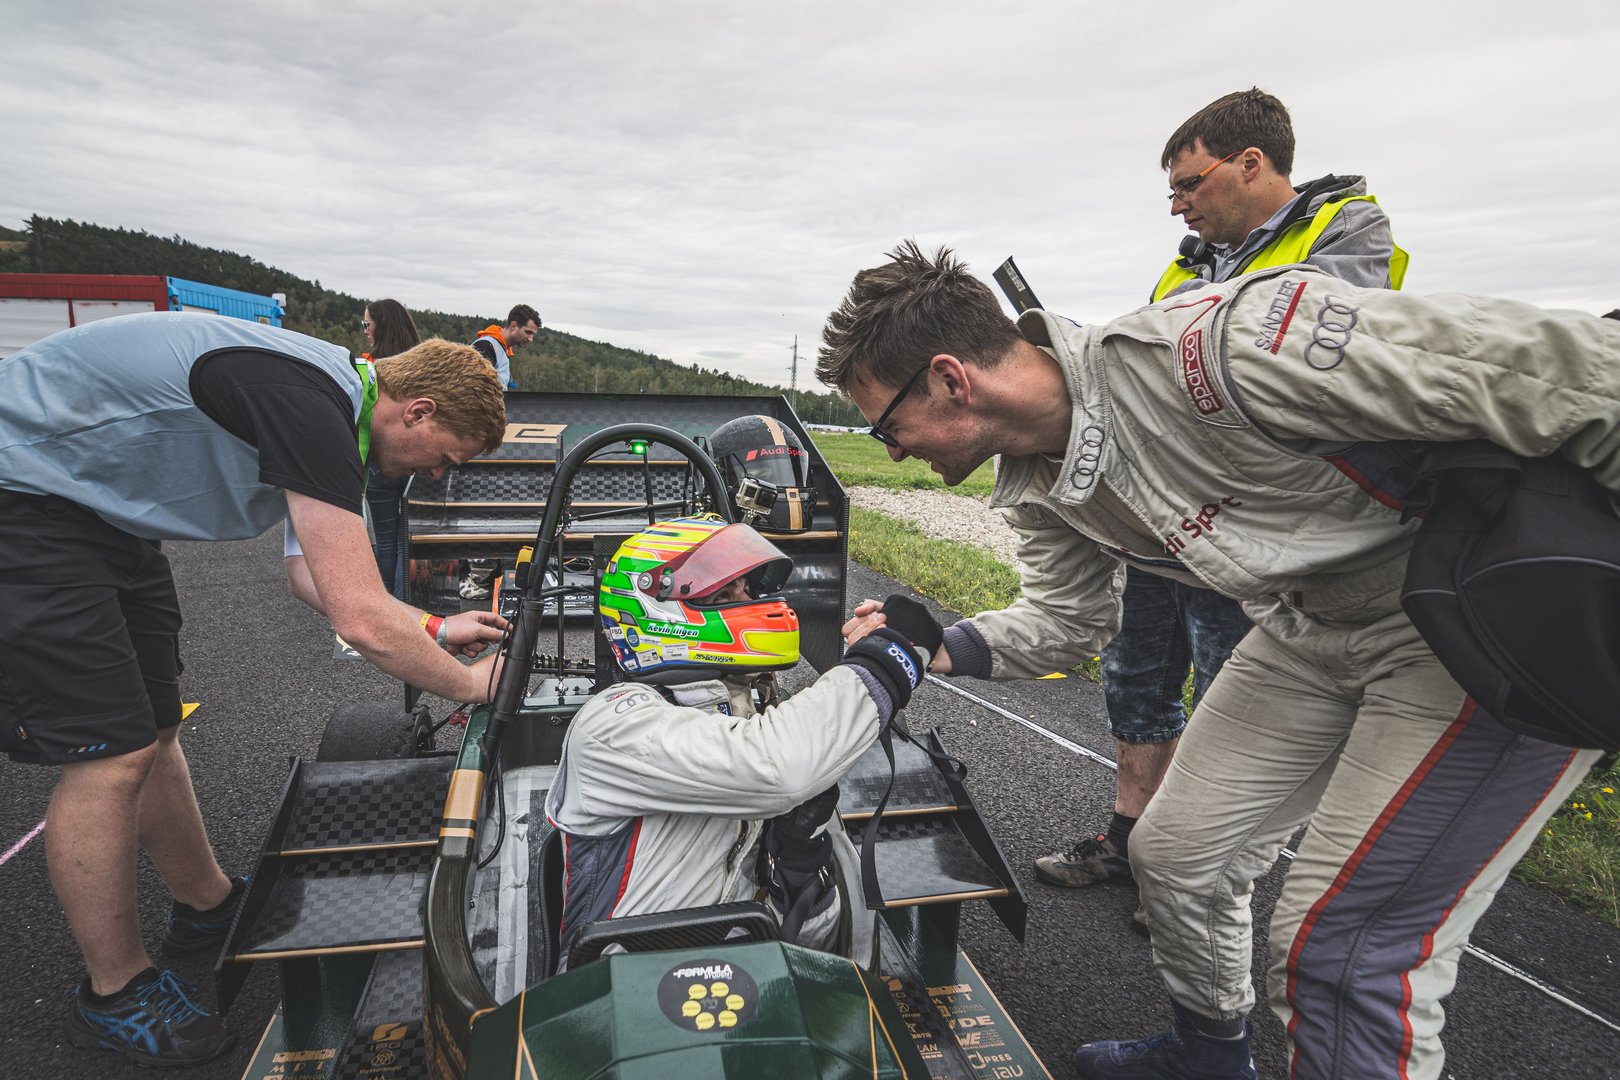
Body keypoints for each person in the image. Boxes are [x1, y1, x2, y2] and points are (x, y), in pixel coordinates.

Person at [817, 242, 1618, 1079]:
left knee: (1341, 952)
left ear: (951, 380)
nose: (893, 452)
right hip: (1304, 623)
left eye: (887, 426)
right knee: (1173, 859)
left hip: (1472, 627)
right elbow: (1068, 620)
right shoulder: (1037, 480)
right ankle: (1209, 1058)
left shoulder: (1236, 344)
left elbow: (1582, 374)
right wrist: (929, 646)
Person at [0, 312, 511, 1067]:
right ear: (418, 410)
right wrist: (469, 683)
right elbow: (361, 620)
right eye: (444, 457)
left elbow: (313, 577)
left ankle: (205, 905)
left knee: (155, 726)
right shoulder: (311, 404)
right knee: (109, 754)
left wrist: (435, 629)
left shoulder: (339, 412)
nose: (436, 474)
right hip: (23, 502)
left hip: (99, 519)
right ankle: (114, 993)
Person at [1034, 88, 1409, 897]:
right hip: (1163, 510)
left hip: (1252, 520)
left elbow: (1304, 350)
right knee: (1136, 673)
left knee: (1227, 685)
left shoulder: (1348, 230)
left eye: (1187, 184)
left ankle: (1191, 876)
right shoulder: (1190, 261)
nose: (1177, 207)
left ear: (1250, 163)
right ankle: (1128, 839)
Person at [546, 516, 941, 969]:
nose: (751, 603)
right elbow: (776, 766)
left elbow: (810, 945)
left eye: (747, 590)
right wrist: (884, 661)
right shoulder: (612, 724)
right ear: (657, 612)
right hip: (619, 990)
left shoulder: (748, 713)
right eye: (723, 595)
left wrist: (799, 874)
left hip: (743, 977)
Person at [361, 299, 423, 598]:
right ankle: (410, 598)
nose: (365, 330)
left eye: (367, 324)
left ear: (381, 326)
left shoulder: (369, 368)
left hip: (378, 462)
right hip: (419, 461)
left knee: (386, 539)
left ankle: (393, 604)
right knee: (410, 537)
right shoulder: (424, 366)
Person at [471, 302, 540, 392]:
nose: (531, 339)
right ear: (513, 326)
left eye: (533, 335)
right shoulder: (485, 346)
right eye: (528, 332)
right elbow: (473, 389)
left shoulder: (502, 349)